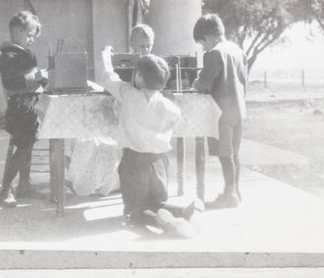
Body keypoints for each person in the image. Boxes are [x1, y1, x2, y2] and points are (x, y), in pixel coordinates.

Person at [97, 46, 203, 238]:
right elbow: (182, 127)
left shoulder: (128, 94)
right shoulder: (169, 106)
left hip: (134, 162)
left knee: (133, 210)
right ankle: (184, 212)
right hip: (160, 162)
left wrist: (106, 54)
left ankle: (164, 222)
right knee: (157, 203)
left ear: (138, 77)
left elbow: (107, 76)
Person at [64, 23, 156, 197]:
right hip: (119, 115)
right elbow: (111, 83)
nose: (145, 50)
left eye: (148, 46)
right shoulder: (123, 63)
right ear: (132, 45)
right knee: (83, 137)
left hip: (138, 122)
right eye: (141, 46)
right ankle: (79, 179)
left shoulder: (154, 66)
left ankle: (104, 182)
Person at [192, 14, 248, 208]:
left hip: (221, 112)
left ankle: (229, 195)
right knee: (234, 153)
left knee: (225, 154)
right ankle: (235, 190)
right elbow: (243, 80)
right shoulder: (238, 51)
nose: (203, 48)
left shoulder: (214, 53)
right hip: (239, 110)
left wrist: (195, 83)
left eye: (201, 44)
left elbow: (204, 84)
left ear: (208, 37)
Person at [0, 11, 49, 207]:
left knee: (29, 144)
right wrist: (36, 77)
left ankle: (24, 185)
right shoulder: (8, 56)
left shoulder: (27, 54)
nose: (31, 40)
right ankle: (5, 190)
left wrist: (43, 79)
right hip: (18, 109)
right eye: (29, 35)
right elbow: (12, 83)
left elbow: (34, 78)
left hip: (31, 106)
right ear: (17, 31)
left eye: (33, 36)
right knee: (24, 146)